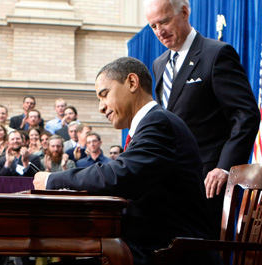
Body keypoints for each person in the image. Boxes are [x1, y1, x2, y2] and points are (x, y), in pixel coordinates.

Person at [33, 57, 218, 265]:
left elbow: (118, 176)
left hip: (172, 254)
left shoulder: (159, 123)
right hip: (149, 248)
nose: (101, 108)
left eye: (104, 95)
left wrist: (53, 181)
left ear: (132, 82)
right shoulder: (151, 125)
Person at [145, 0, 260, 238]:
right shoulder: (159, 65)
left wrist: (224, 167)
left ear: (184, 12)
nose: (159, 32)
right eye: (153, 26)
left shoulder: (216, 54)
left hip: (207, 187)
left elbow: (245, 115)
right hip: (168, 188)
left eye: (164, 21)